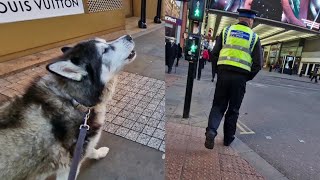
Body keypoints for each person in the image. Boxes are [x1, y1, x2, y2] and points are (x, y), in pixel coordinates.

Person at [205, 9, 263, 149]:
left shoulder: (226, 31)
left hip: (223, 74)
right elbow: (258, 64)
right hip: (240, 78)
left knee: (218, 106)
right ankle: (227, 139)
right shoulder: (254, 37)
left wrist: (219, 71)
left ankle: (211, 131)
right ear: (250, 21)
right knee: (233, 110)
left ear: (239, 19)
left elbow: (214, 54)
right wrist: (246, 77)